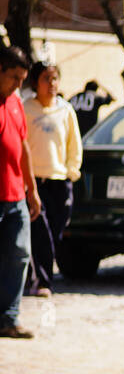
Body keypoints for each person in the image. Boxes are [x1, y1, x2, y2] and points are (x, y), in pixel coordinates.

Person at [22, 61, 81, 298]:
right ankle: (43, 281)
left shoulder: (65, 110)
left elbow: (73, 144)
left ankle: (35, 270)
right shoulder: (26, 108)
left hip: (60, 179)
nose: (52, 84)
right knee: (41, 230)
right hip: (35, 180)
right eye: (46, 79)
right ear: (36, 83)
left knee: (55, 230)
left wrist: (71, 171)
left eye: (55, 78)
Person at [1, 46, 39, 338]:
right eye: (14, 77)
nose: (18, 85)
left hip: (15, 194)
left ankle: (9, 318)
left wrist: (32, 189)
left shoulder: (15, 103)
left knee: (20, 253)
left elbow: (23, 146)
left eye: (22, 79)